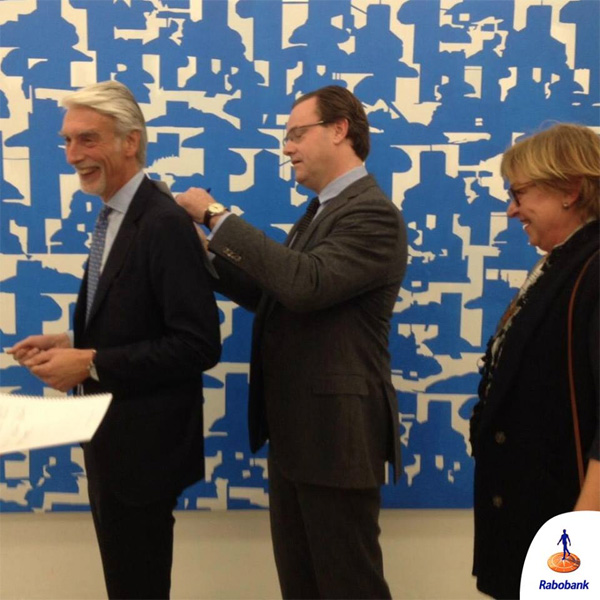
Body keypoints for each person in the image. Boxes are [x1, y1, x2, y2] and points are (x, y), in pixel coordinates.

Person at [176, 85, 407, 599]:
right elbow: (276, 294)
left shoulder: (372, 214)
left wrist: (215, 215)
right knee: (302, 587)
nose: (287, 147)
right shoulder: (320, 211)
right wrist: (204, 254)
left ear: (340, 130)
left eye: (297, 133)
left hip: (335, 440)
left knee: (349, 588)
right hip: (299, 435)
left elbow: (305, 284)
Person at [8, 80, 221, 599]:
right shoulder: (116, 215)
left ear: (131, 141)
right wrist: (70, 341)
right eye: (67, 141)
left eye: (87, 139)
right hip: (112, 446)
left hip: (143, 457)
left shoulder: (162, 221)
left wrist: (91, 363)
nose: (72, 155)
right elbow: (133, 319)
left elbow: (198, 345)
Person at [470, 123, 599, 599]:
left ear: (570, 190)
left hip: (566, 534)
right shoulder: (565, 264)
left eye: (519, 193)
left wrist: (582, 533)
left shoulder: (593, 270)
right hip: (531, 521)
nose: (511, 209)